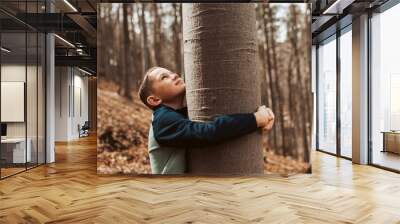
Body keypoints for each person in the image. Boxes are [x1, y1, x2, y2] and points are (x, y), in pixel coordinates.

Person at [138, 66, 275, 174]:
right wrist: (255, 119)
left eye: (171, 72)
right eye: (164, 77)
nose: (174, 75)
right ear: (155, 99)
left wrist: (264, 114)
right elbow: (206, 132)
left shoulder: (177, 116)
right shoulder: (162, 120)